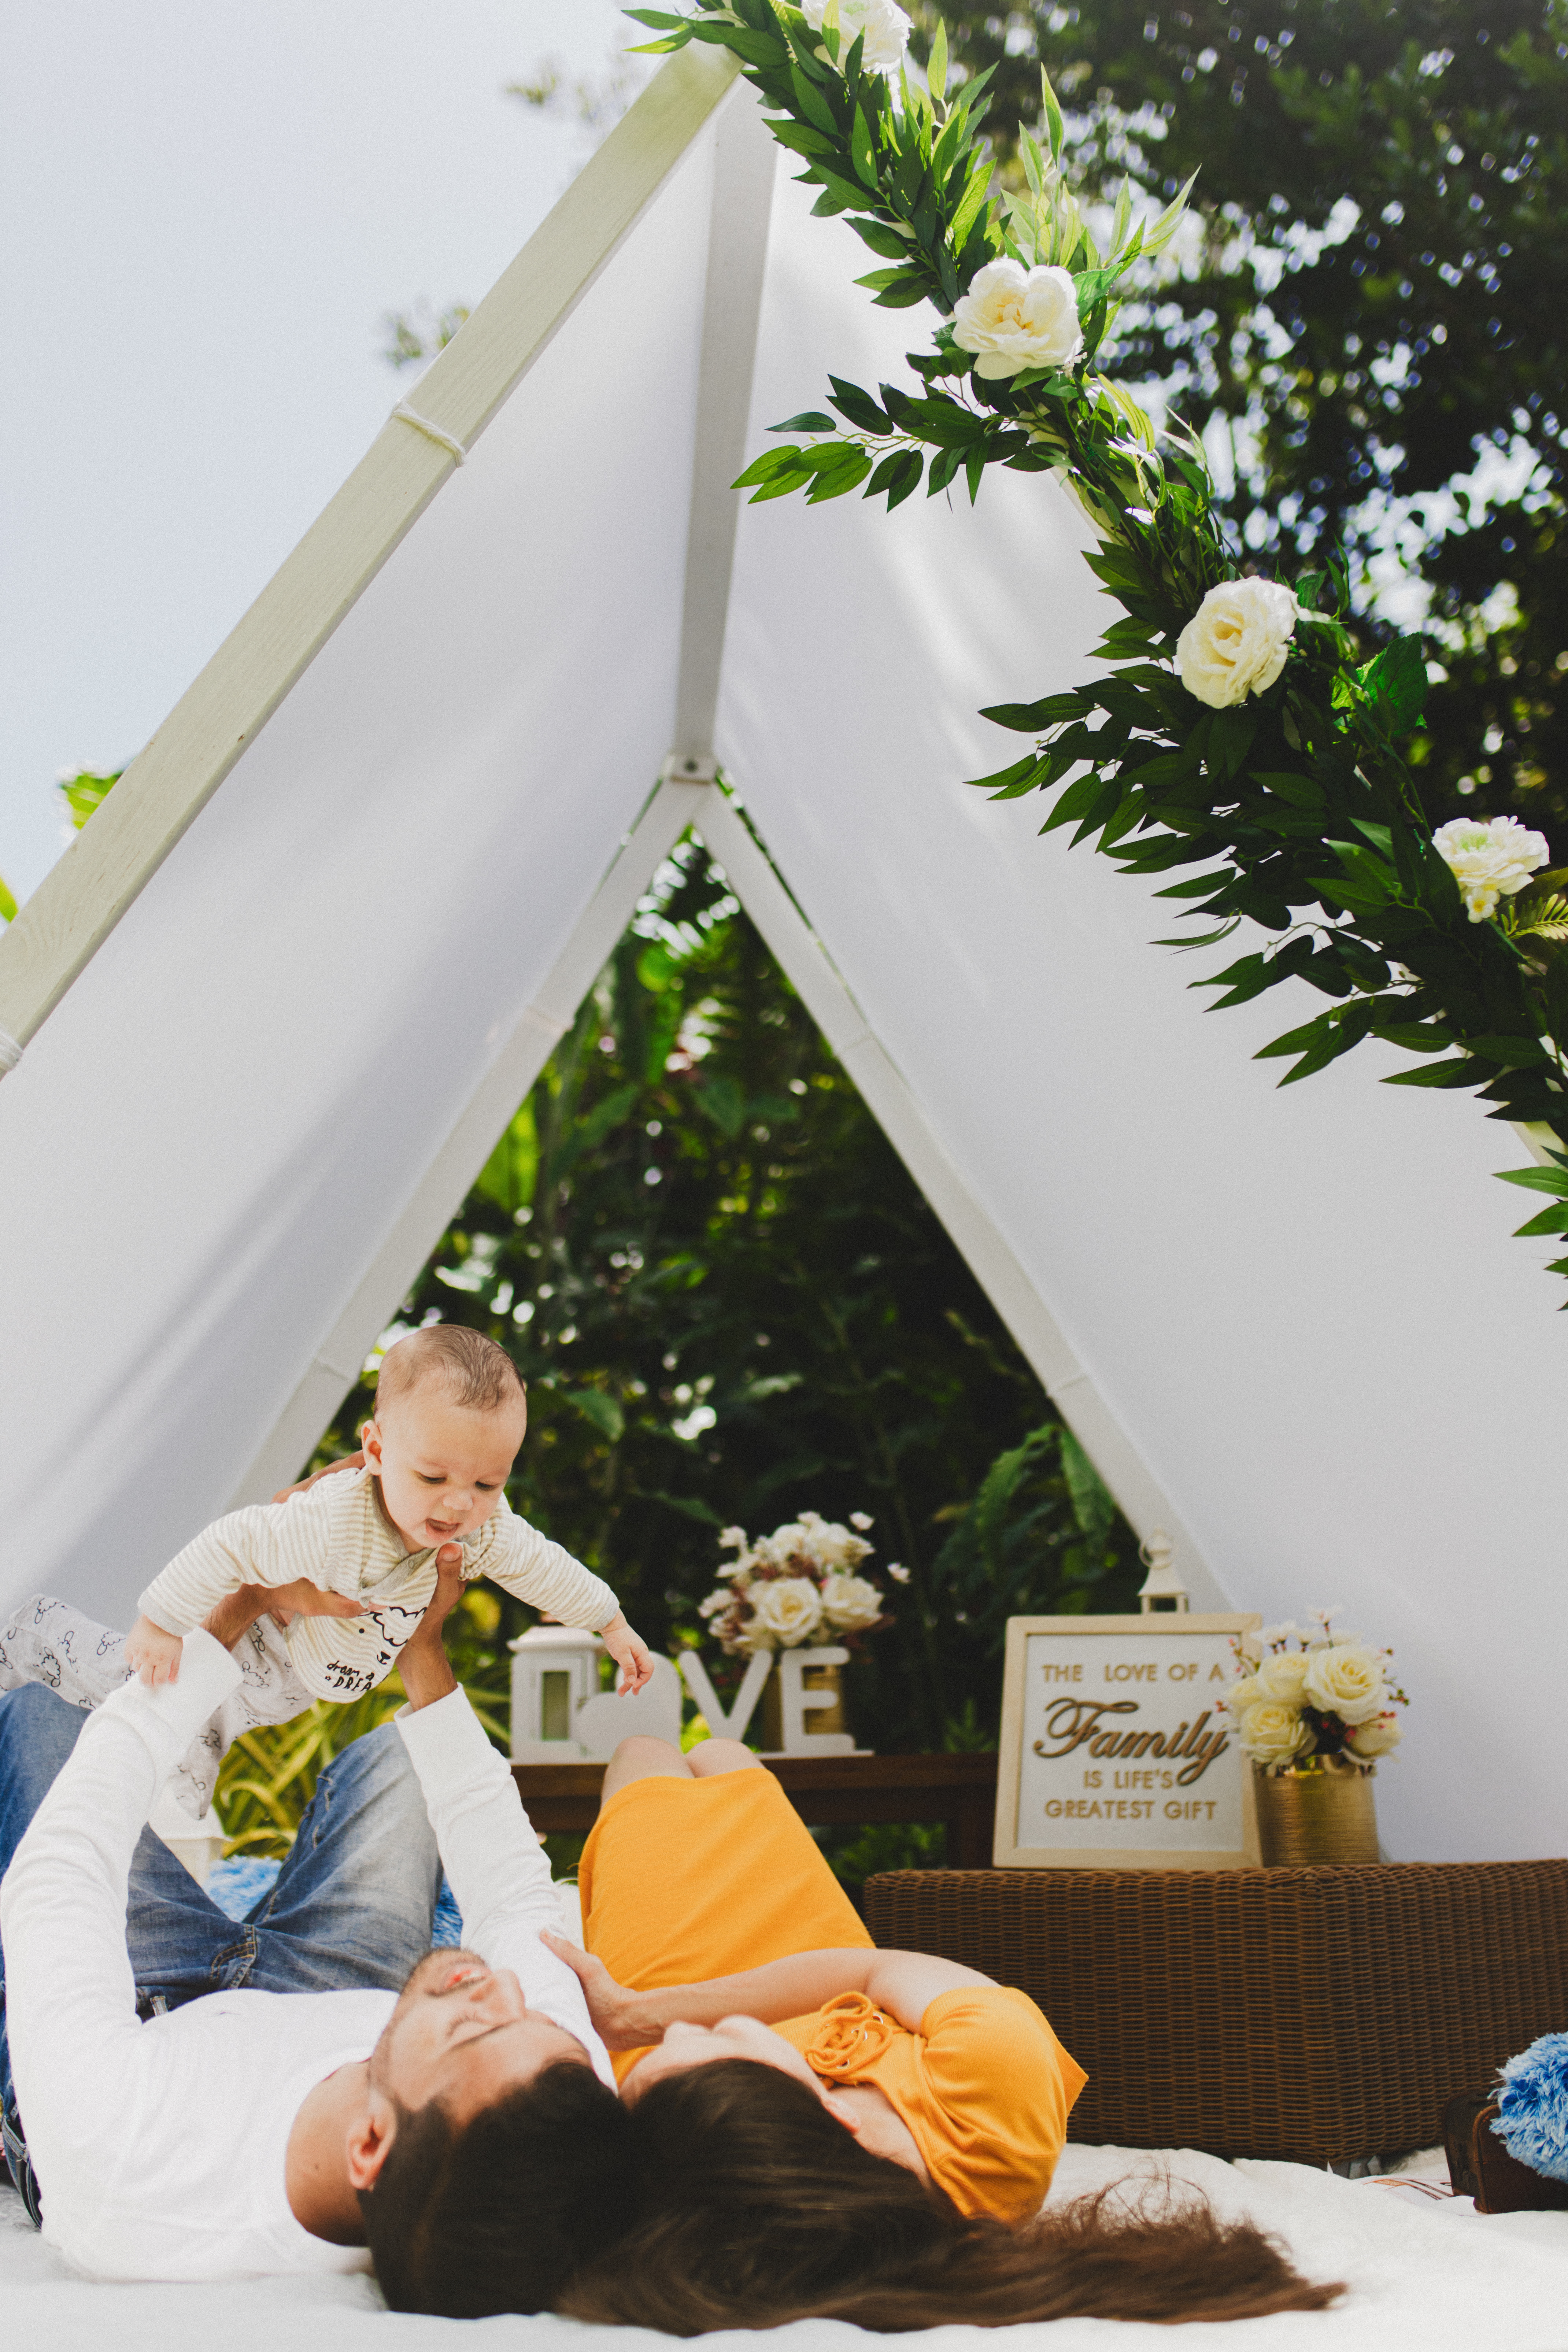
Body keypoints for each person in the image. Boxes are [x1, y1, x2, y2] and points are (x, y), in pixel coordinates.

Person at [0, 1552, 632, 2315]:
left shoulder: (125, 2150)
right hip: (353, 1998)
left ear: (369, 2145)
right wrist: (422, 1643)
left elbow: (59, 1870)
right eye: (529, 2013)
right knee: (412, 1759)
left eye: (472, 2030)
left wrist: (234, 1613)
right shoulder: (541, 2095)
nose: (499, 1984)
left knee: (37, 1717)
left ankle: (203, 1707)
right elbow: (514, 1900)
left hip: (144, 2013)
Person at [542, 1735, 1340, 2331]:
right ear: (833, 2115)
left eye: (644, 2080)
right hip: (800, 1963)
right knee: (722, 1756)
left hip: (661, 1987)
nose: (689, 2040)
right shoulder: (990, 2099)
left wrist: (637, 2033)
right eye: (723, 2045)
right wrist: (660, 2017)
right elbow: (866, 1971)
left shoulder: (708, 2147)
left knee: (642, 1755)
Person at [0, 1325, 652, 1819]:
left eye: (487, 1482)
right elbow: (235, 1542)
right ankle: (34, 1632)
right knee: (122, 1683)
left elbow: (545, 1567)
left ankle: (167, 1842)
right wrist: (162, 1622)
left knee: (184, 1784)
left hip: (272, 1695)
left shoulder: (483, 1529)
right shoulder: (334, 1518)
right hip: (240, 1648)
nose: (459, 1502)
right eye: (433, 1477)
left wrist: (611, 1622)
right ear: (374, 1450)